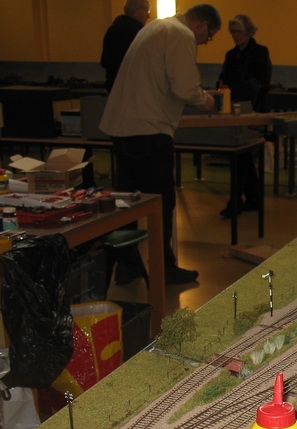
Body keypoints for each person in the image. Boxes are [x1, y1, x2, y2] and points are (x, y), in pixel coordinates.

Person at [100, 4, 220, 285]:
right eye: (209, 36)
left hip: (126, 128)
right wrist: (207, 101)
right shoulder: (181, 34)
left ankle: (127, 264)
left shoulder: (156, 27)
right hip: (148, 131)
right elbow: (184, 86)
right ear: (201, 25)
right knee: (161, 203)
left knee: (128, 203)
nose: (205, 42)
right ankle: (164, 269)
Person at [217, 14, 272, 218]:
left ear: (248, 31)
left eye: (238, 31)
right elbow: (223, 79)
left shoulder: (260, 52)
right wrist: (222, 88)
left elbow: (261, 82)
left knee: (243, 155)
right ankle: (253, 198)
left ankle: (236, 201)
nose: (235, 35)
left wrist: (232, 89)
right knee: (244, 156)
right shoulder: (230, 55)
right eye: (232, 32)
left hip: (254, 110)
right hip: (234, 110)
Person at [100, 0, 151, 92]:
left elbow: (104, 61)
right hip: (132, 89)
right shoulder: (138, 34)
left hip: (113, 87)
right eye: (146, 11)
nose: (148, 16)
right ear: (135, 11)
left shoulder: (112, 29)